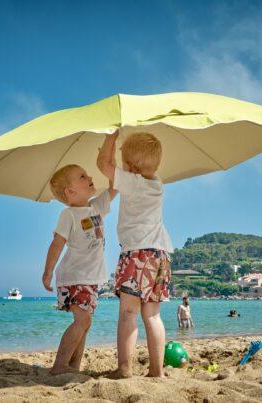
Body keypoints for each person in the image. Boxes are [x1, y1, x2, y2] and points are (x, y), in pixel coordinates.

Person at [97, 132, 173, 378]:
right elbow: (113, 172)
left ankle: (124, 369)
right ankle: (156, 371)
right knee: (153, 315)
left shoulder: (133, 181)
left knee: (129, 312)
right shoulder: (157, 184)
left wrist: (110, 138)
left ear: (129, 167)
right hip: (160, 254)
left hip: (137, 253)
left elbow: (103, 165)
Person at [42, 164, 117, 375]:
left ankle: (73, 367)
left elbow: (115, 187)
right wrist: (48, 272)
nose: (90, 177)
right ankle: (60, 365)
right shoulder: (69, 215)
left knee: (86, 322)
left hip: (91, 278)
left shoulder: (96, 207)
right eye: (82, 177)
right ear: (70, 192)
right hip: (74, 276)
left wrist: (113, 166)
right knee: (82, 320)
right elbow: (57, 243)